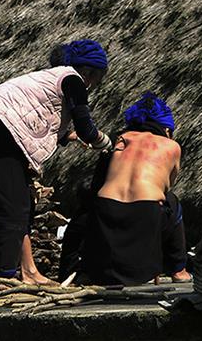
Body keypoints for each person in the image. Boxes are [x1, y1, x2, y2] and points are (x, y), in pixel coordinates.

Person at [0, 39, 112, 284]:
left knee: (23, 201)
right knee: (11, 204)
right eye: (96, 78)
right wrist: (105, 143)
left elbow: (41, 117)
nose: (93, 85)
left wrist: (68, 136)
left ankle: (29, 271)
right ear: (88, 71)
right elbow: (86, 126)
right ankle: (2, 278)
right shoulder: (73, 79)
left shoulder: (54, 78)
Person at [59, 91, 191, 286]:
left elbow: (97, 183)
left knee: (85, 210)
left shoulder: (120, 139)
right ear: (166, 129)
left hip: (107, 212)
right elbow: (166, 187)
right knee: (173, 202)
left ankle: (74, 271)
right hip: (146, 213)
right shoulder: (171, 146)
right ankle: (179, 270)